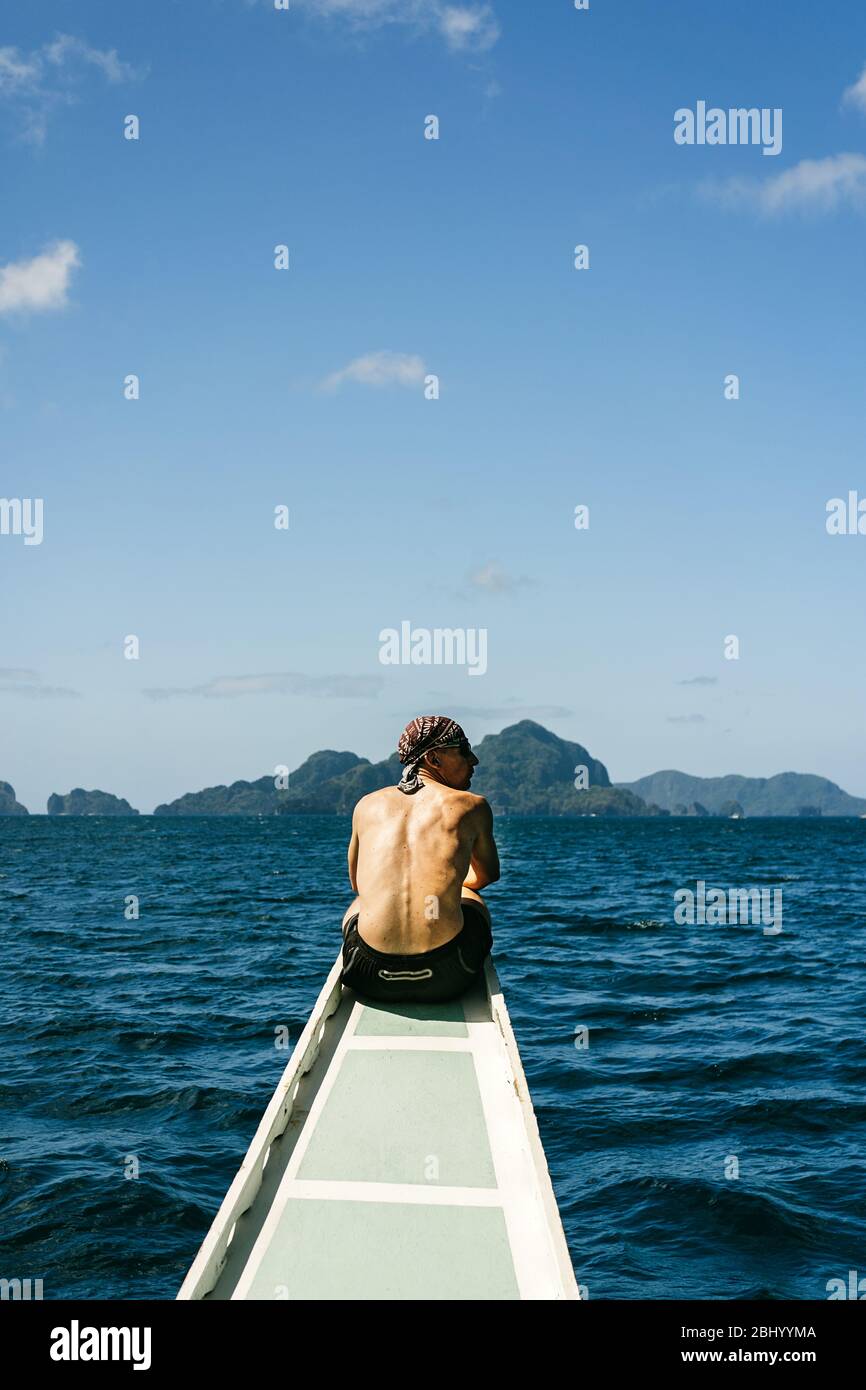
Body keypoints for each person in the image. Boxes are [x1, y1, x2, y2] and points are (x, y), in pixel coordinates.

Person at [340, 716, 500, 1003]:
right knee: (468, 894)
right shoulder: (472, 806)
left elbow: (356, 883)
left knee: (361, 901)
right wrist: (451, 886)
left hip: (369, 974)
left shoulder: (366, 804)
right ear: (433, 758)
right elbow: (487, 876)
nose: (474, 760)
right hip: (447, 975)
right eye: (463, 750)